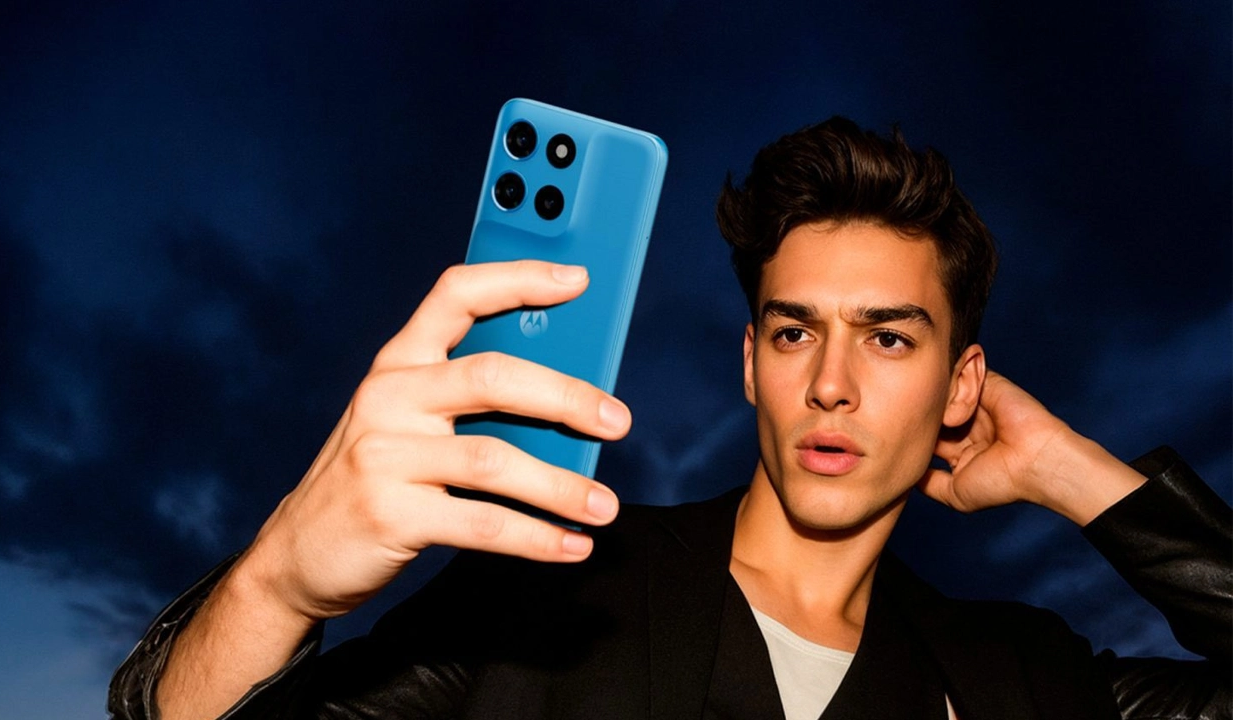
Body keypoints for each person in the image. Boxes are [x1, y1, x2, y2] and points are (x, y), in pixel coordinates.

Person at [109, 117, 1231, 720]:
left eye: (888, 338)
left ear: (961, 383)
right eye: (793, 332)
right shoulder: (551, 596)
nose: (829, 383)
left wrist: (1074, 472)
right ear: (750, 362)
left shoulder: (1023, 674)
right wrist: (277, 587)